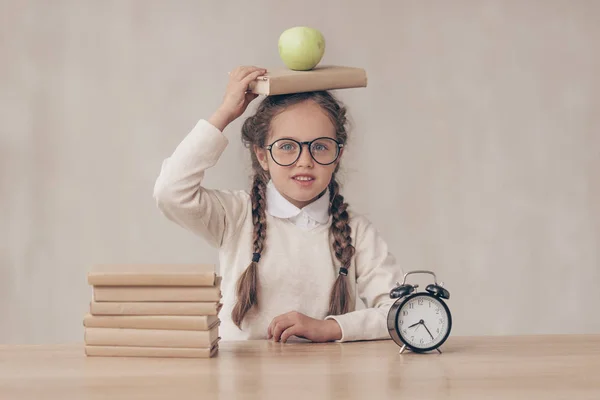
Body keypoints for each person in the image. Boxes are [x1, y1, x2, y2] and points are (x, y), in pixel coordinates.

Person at [153, 66, 404, 343]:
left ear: (338, 155)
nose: (305, 160)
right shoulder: (236, 216)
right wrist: (225, 111)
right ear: (262, 156)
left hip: (327, 381)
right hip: (242, 381)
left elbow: (399, 311)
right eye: (287, 146)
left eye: (320, 146)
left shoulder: (358, 232)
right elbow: (170, 191)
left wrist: (330, 328)